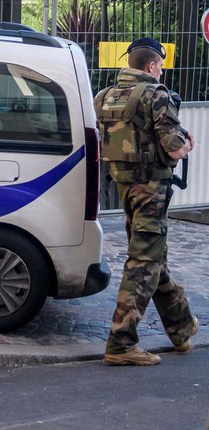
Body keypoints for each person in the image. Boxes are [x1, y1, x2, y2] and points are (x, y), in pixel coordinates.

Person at [96, 37, 198, 366]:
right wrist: (187, 145)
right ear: (152, 66)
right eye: (162, 67)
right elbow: (172, 147)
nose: (162, 73)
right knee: (143, 262)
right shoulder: (156, 94)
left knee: (153, 258)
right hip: (152, 191)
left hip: (124, 188)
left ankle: (181, 328)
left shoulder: (105, 96)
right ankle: (121, 342)